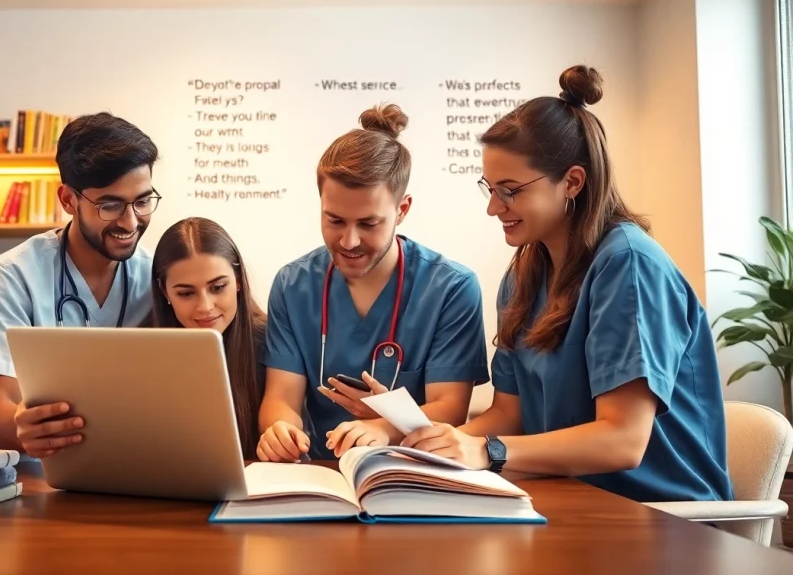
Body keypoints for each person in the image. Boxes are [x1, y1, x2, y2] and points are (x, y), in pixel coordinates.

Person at [401, 65, 734, 503]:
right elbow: (510, 415)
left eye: (510, 190)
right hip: (572, 497)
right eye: (490, 189)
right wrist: (435, 446)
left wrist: (484, 450)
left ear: (572, 182)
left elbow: (623, 440)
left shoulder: (628, 264)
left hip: (663, 514)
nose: (493, 208)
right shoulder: (522, 276)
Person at [0, 111, 162, 460]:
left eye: (142, 201)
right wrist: (25, 426)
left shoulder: (156, 278)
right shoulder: (11, 276)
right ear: (68, 200)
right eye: (110, 205)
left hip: (70, 471)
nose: (131, 222)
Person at [256, 103, 491, 462]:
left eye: (368, 224)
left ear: (402, 210)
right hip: (321, 472)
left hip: (411, 469)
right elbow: (281, 398)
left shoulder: (451, 289)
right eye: (334, 220)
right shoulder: (292, 285)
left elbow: (451, 407)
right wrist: (280, 430)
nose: (349, 241)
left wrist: (385, 428)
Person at [149, 217, 267, 459]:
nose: (205, 306)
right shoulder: (144, 351)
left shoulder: (272, 341)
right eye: (186, 293)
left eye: (217, 287)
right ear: (164, 292)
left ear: (237, 280)